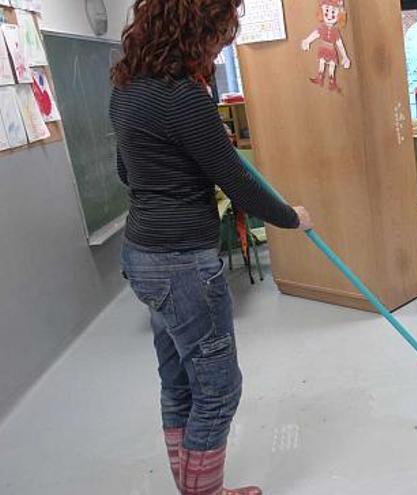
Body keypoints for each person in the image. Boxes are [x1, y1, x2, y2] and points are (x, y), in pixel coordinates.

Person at [109, 1, 311, 493]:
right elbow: (238, 183)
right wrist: (292, 218)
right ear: (194, 31)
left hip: (142, 257)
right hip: (182, 267)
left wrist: (196, 145)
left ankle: (192, 487)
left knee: (178, 382)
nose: (221, 47)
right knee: (219, 390)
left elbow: (126, 172)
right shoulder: (185, 97)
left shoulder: (126, 89)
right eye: (220, 34)